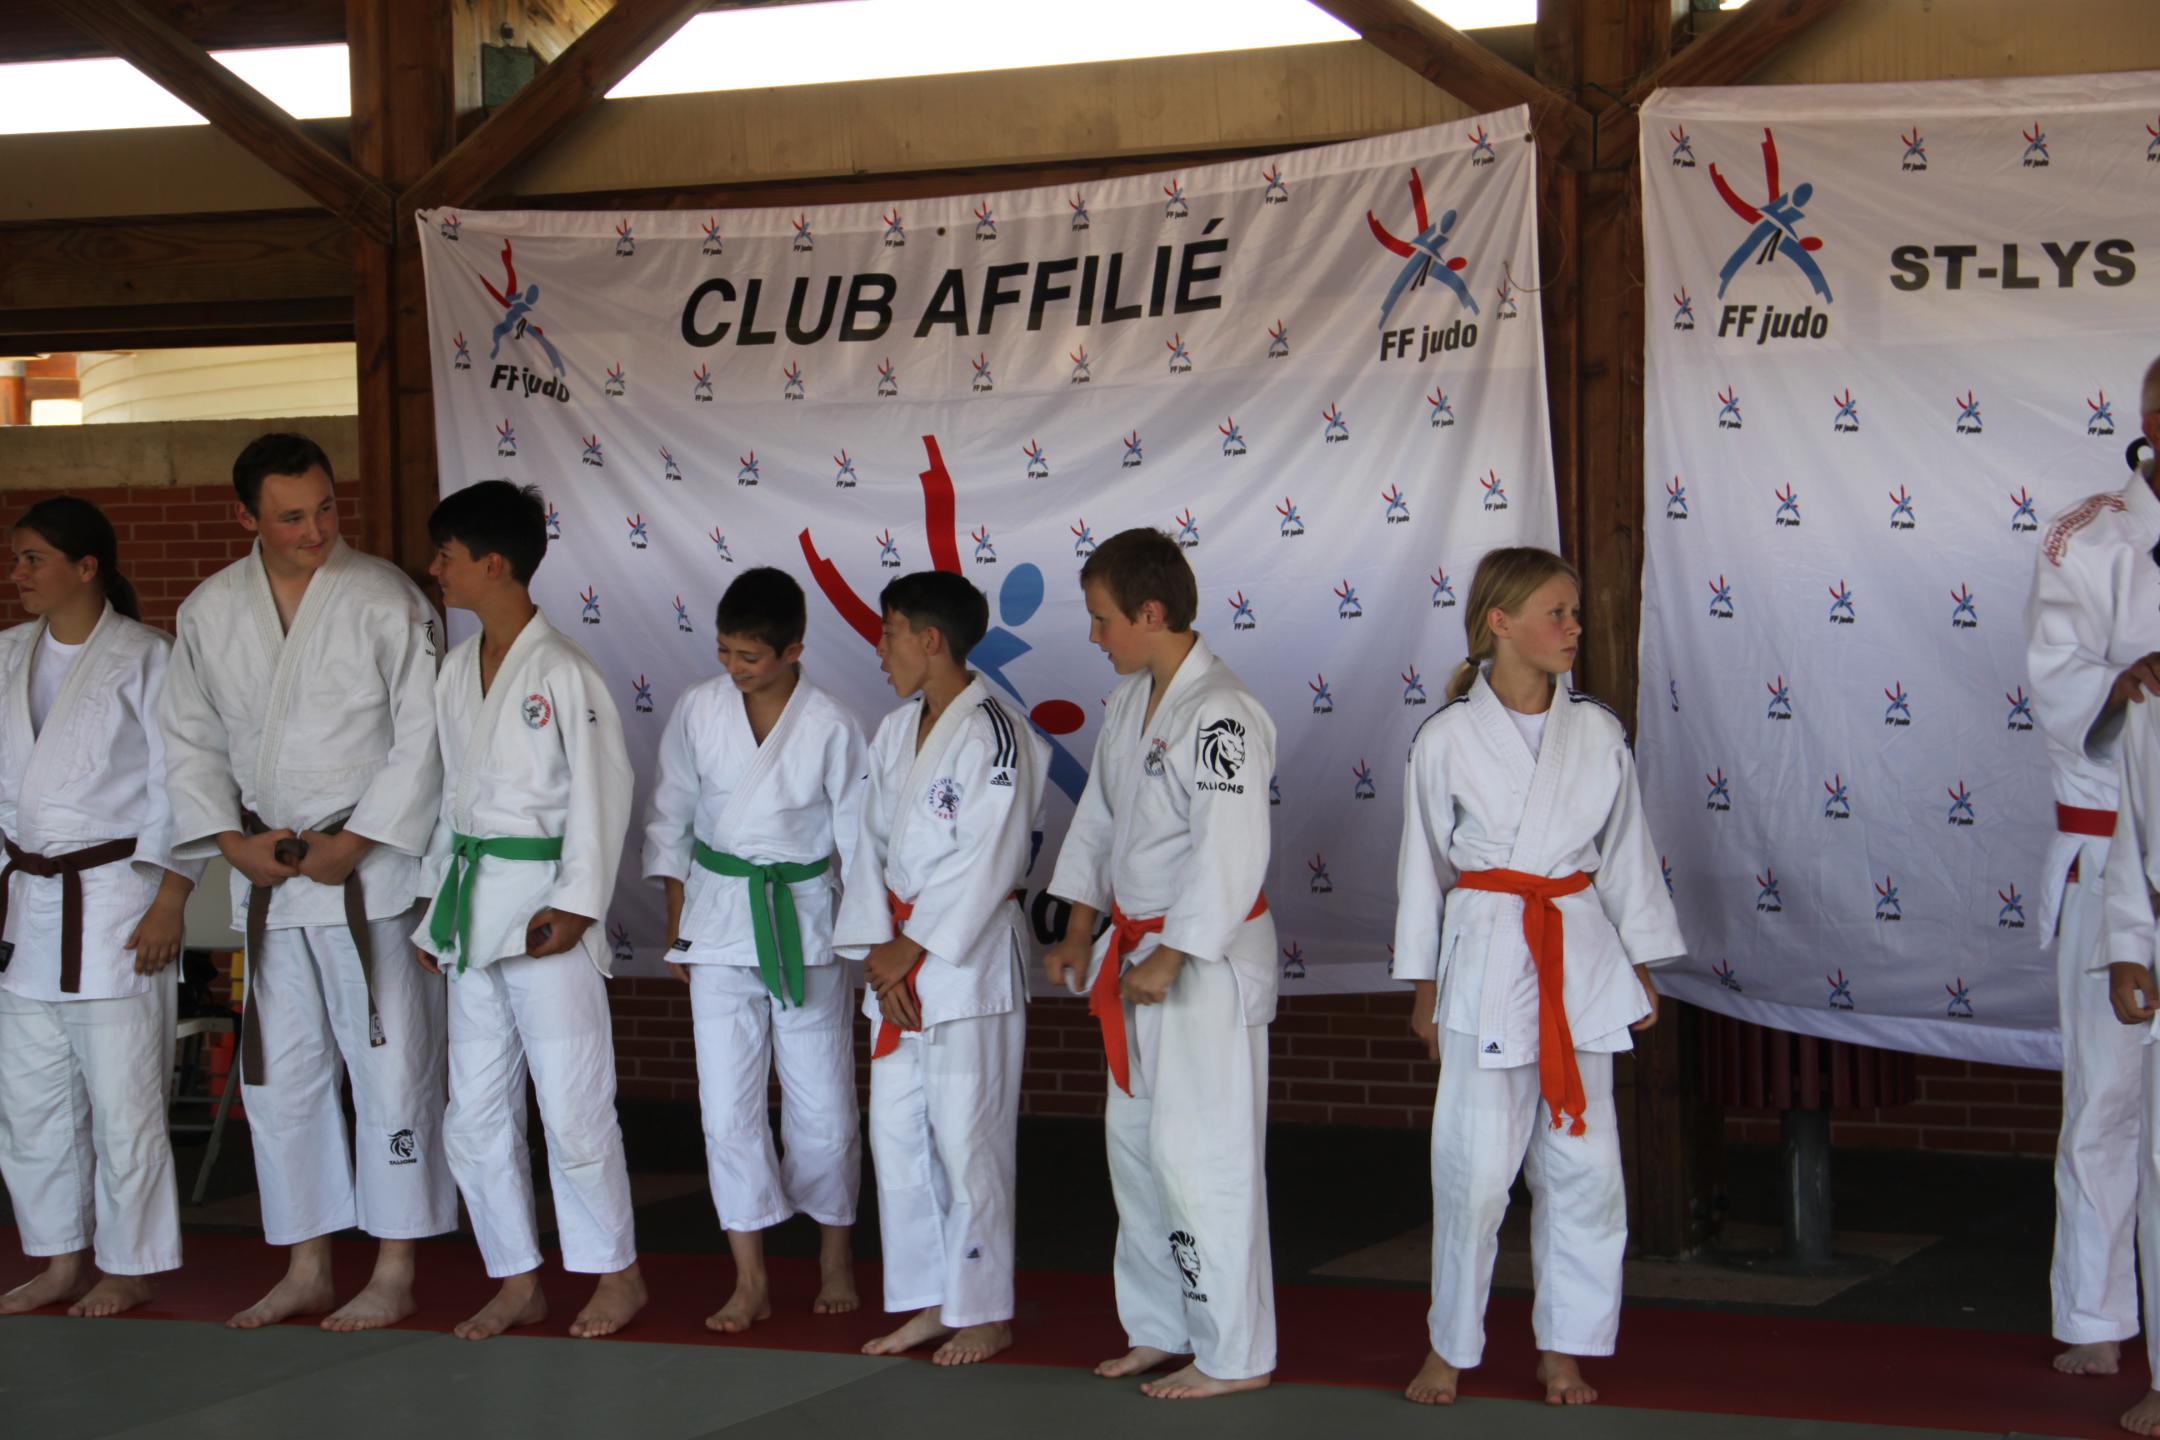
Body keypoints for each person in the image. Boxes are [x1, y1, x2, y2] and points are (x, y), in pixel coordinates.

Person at [160, 434, 453, 1332]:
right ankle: (307, 1261)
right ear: (245, 517)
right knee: (281, 1076)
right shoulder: (211, 611)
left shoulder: (386, 599)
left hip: (371, 873)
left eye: (325, 507)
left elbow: (425, 735)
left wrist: (357, 841)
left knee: (392, 1065)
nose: (316, 529)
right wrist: (229, 842)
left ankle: (396, 1265)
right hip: (272, 875)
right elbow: (188, 740)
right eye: (292, 517)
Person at [1390, 546, 1680, 1408]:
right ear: (1500, 622)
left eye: (1574, 612)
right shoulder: (1446, 737)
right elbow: (1421, 870)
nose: (1573, 628)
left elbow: (1625, 853)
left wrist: (1637, 963)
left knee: (1585, 1172)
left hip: (1579, 957)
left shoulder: (1596, 732)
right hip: (1486, 956)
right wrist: (1424, 989)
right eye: (1556, 612)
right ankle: (1449, 1346)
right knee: (1474, 1173)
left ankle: (1566, 1349)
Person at [1043, 527, 1278, 1400]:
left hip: (1201, 964)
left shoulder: (1222, 714)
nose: (1095, 635)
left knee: (1201, 1156)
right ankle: (1160, 1326)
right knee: (1138, 1152)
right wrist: (1080, 926)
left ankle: (1233, 1353)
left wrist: (1174, 954)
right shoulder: (1130, 702)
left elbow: (1230, 848)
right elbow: (1100, 820)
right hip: (1137, 953)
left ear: (1150, 612)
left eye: (1103, 619)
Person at [412, 479, 643, 1341]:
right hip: (471, 914)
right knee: (473, 1114)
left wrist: (577, 905)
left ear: (494, 564)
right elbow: (450, 800)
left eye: (447, 556)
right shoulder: (454, 671)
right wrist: (434, 905)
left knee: (574, 1106)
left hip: (546, 913)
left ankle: (617, 1274)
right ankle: (516, 1277)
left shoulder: (564, 672)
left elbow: (603, 791)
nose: (435, 569)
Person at [641, 566, 868, 1333]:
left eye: (750, 656)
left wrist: (868, 935)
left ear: (793, 650)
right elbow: (671, 816)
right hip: (717, 920)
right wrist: (679, 924)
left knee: (824, 1107)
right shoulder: (698, 709)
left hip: (806, 924)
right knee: (727, 1109)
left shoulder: (832, 723)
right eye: (725, 651)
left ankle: (834, 1257)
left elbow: (859, 841)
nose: (733, 667)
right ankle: (750, 1277)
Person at [833, 570, 1045, 1367]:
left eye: (889, 632)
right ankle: (930, 1299)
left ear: (930, 640)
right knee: (897, 1138)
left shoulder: (997, 733)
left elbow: (992, 857)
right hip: (896, 962)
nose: (880, 648)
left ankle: (983, 1310)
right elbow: (862, 845)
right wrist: (880, 954)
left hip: (965, 967)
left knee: (968, 1138)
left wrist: (912, 948)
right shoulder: (894, 731)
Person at [0, 498, 199, 1318]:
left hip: (117, 905)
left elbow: (178, 787)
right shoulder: (6, 654)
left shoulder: (148, 657)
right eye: (16, 558)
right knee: (31, 1104)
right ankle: (57, 1258)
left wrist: (170, 900)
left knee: (126, 1102)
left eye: (33, 558)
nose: (17, 573)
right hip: (26, 911)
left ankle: (128, 1264)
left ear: (87, 568)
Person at [2030, 356, 2160, 1389]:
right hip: (2108, 842)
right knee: (2107, 1098)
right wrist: (2122, 682)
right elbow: (2053, 679)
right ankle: (2095, 1311)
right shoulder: (2089, 536)